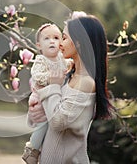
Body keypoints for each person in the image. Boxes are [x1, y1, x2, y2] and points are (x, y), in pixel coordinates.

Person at [27, 14, 113, 164]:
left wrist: (52, 86)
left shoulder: (86, 82)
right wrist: (36, 110)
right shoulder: (70, 75)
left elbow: (58, 121)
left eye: (64, 38)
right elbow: (52, 111)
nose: (59, 43)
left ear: (79, 43)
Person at [22, 23, 73, 164]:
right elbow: (37, 75)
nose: (52, 41)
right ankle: (32, 148)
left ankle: (41, 149)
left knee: (51, 126)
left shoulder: (63, 60)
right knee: (44, 123)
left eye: (56, 38)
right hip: (40, 97)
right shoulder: (41, 60)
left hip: (55, 97)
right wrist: (50, 78)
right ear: (39, 45)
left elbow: (71, 64)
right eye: (47, 38)